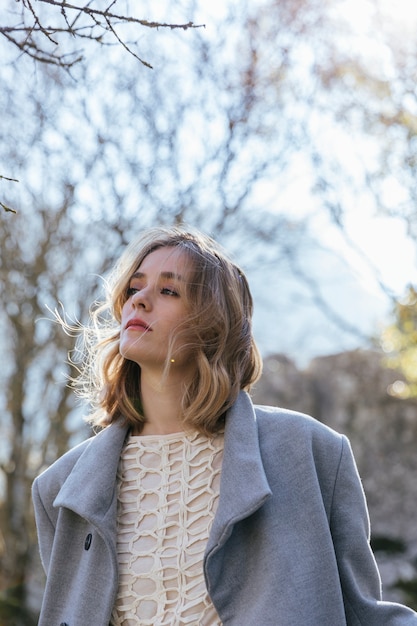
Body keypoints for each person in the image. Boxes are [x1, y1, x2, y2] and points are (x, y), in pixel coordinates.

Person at [32, 225, 417, 626]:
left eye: (169, 291)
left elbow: (366, 616)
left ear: (214, 325)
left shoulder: (309, 453)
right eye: (134, 288)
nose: (140, 301)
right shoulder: (61, 489)